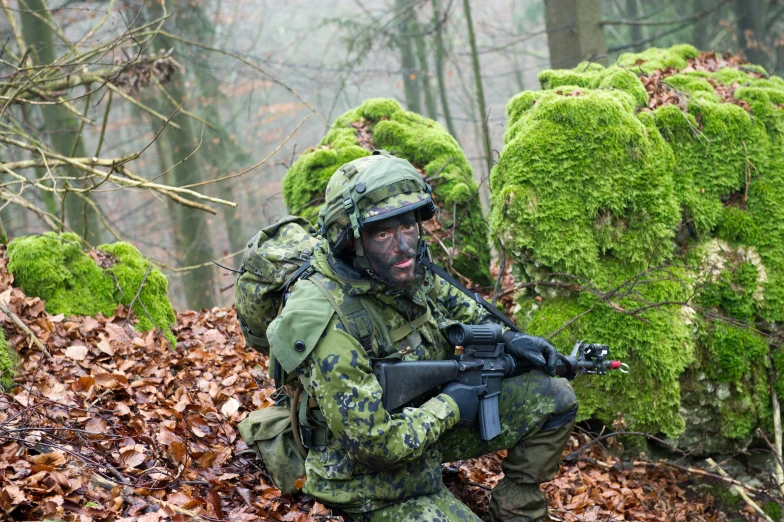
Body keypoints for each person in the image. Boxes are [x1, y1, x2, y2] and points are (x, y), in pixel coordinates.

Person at [266, 151, 578, 522]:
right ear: (351, 241)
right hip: (366, 480)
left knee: (555, 396)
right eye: (383, 233)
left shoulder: (402, 269)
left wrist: (512, 340)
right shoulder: (327, 320)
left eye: (408, 227)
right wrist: (450, 407)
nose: (403, 246)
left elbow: (464, 309)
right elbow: (374, 445)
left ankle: (515, 509)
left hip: (420, 433)